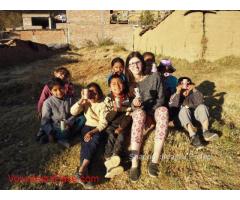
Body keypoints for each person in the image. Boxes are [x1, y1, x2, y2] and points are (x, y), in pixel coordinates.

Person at [126, 51, 169, 182]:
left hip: (154, 110)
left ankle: (154, 160)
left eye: (137, 62)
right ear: (128, 67)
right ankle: (134, 164)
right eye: (131, 63)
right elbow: (130, 104)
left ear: (142, 63)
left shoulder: (154, 77)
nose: (135, 65)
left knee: (163, 110)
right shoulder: (129, 83)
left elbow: (161, 99)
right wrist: (134, 104)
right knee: (138, 114)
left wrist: (151, 114)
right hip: (140, 113)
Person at [70, 82, 108, 189]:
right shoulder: (85, 102)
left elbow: (103, 123)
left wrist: (92, 132)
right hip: (87, 126)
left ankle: (82, 170)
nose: (92, 95)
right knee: (86, 144)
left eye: (95, 93)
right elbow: (73, 112)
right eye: (89, 93)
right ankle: (85, 175)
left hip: (97, 128)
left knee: (93, 142)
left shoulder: (103, 103)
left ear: (100, 93)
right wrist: (81, 101)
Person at [169, 77, 219, 148]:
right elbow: (172, 105)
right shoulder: (176, 94)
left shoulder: (194, 93)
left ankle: (206, 132)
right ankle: (193, 136)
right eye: (182, 84)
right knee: (183, 109)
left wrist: (194, 89)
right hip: (181, 120)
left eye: (187, 84)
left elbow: (200, 101)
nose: (185, 87)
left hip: (194, 117)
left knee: (202, 106)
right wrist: (178, 92)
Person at [103, 73, 132, 179]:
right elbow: (107, 118)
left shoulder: (128, 98)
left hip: (123, 126)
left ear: (123, 85)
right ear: (110, 86)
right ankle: (107, 159)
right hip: (111, 125)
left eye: (119, 83)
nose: (117, 85)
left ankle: (115, 156)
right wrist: (115, 110)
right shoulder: (108, 99)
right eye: (113, 84)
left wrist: (121, 127)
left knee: (121, 137)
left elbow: (129, 115)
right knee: (110, 136)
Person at [39, 78, 79, 148]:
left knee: (83, 119)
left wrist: (69, 123)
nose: (59, 92)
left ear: (64, 88)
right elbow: (45, 120)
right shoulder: (48, 103)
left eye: (61, 88)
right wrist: (50, 133)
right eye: (55, 90)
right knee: (65, 132)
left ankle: (60, 138)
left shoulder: (69, 99)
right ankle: (57, 137)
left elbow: (73, 114)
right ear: (51, 91)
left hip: (69, 123)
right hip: (56, 126)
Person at [158, 59, 178, 125]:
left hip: (171, 100)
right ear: (160, 70)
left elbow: (176, 92)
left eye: (168, 70)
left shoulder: (174, 80)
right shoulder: (157, 79)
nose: (165, 72)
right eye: (163, 70)